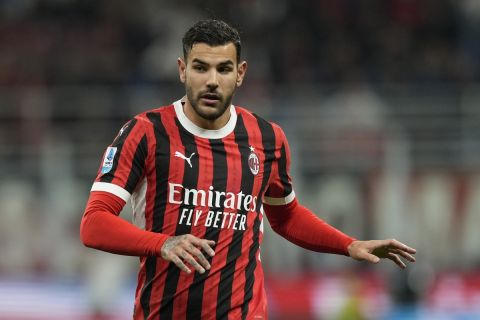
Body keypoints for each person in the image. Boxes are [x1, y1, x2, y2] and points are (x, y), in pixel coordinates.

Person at [80, 19, 416, 320]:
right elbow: (93, 224)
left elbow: (285, 216)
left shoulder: (268, 139)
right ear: (182, 70)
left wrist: (348, 245)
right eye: (200, 68)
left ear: (240, 73)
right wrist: (162, 244)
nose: (212, 81)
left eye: (223, 69)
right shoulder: (146, 132)